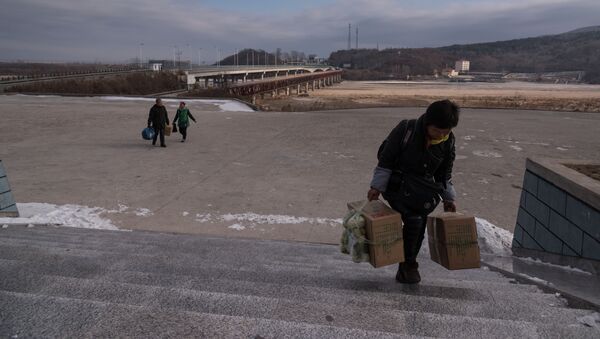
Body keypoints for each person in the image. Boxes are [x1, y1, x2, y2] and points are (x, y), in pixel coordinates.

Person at [367, 99, 459, 284]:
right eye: (436, 131)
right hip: (398, 186)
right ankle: (408, 265)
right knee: (414, 220)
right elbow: (386, 160)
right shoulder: (406, 129)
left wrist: (448, 198)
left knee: (418, 224)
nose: (440, 135)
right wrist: (376, 187)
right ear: (427, 123)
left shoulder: (448, 141)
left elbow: (444, 173)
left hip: (423, 191)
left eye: (445, 132)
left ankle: (407, 263)